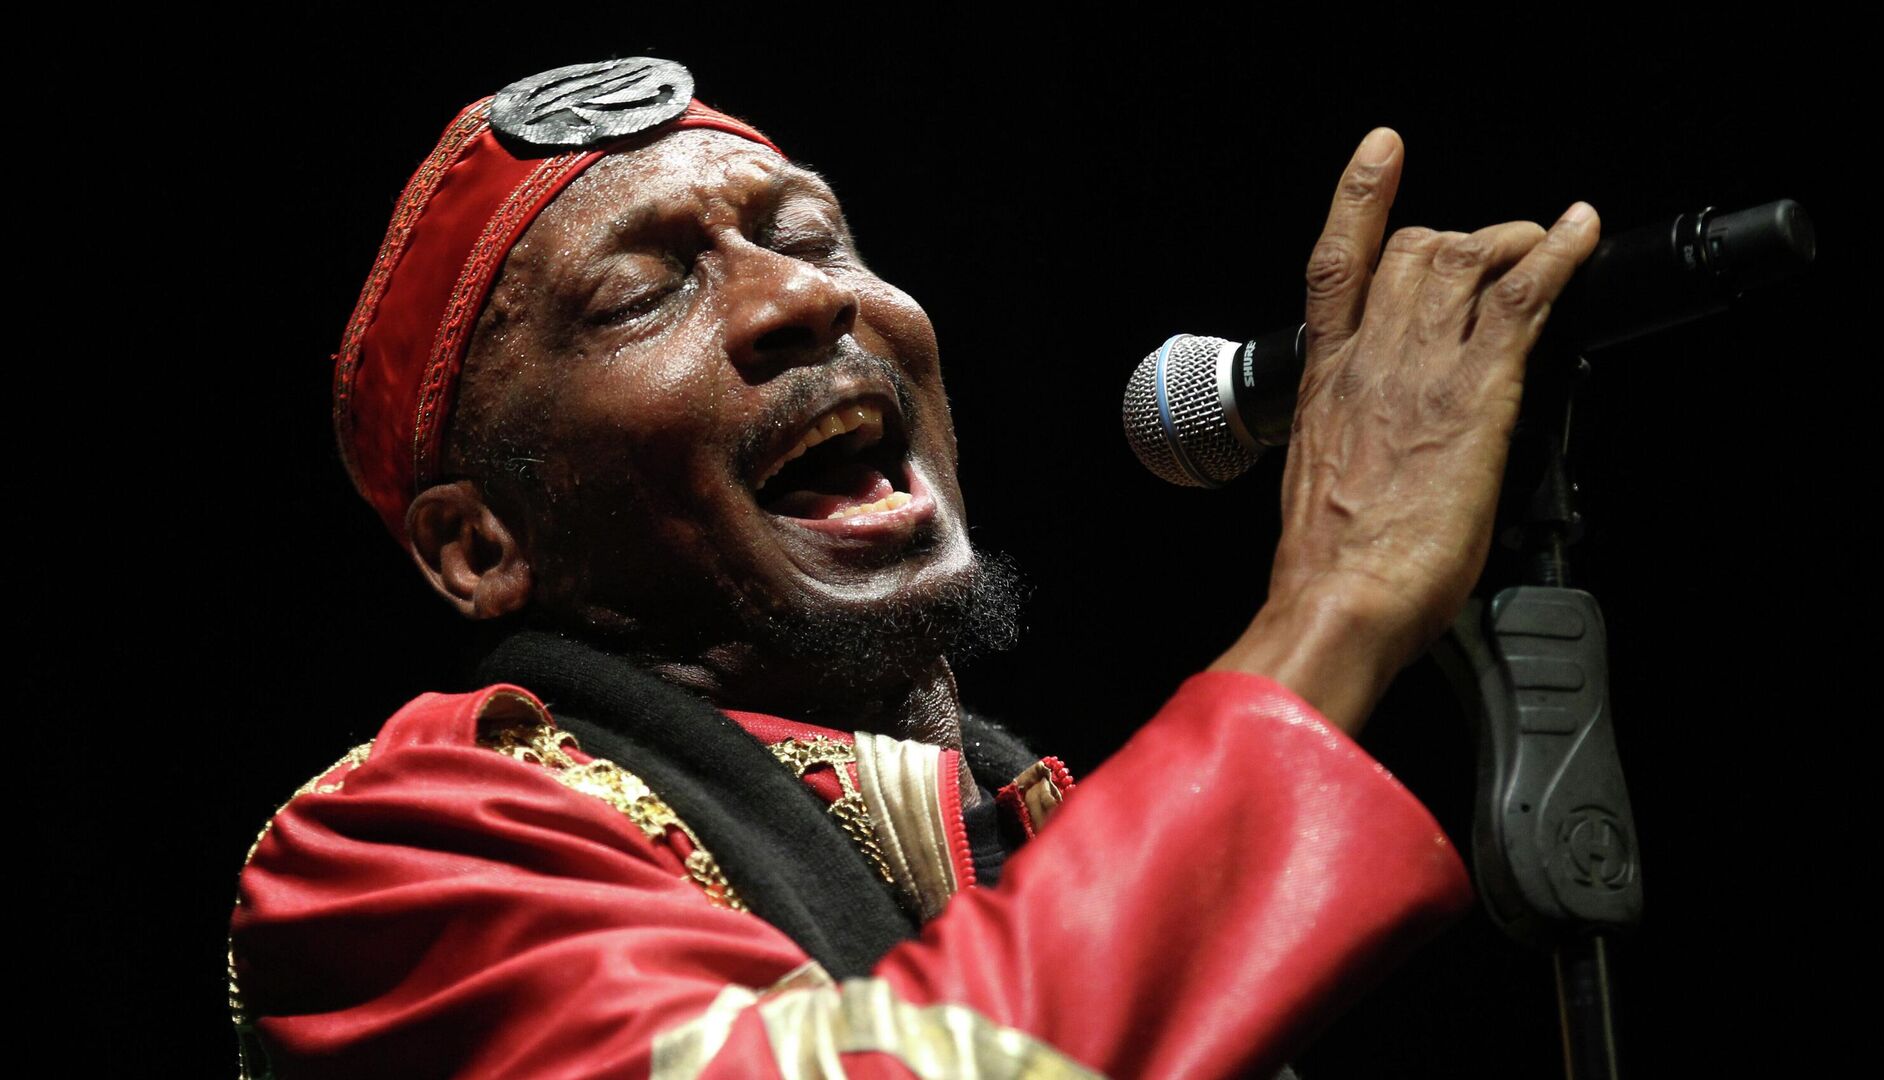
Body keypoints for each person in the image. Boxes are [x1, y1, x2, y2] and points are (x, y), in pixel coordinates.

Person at [228, 57, 1600, 1078]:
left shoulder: (1040, 830)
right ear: (481, 547)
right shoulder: (392, 862)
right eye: (643, 296)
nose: (802, 295)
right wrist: (1338, 604)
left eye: (809, 237)